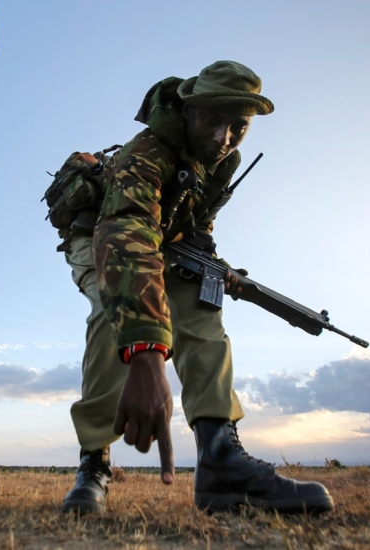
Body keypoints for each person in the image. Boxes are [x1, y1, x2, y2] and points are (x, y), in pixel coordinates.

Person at [58, 61, 334, 515]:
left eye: (238, 127)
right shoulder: (146, 153)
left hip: (164, 241)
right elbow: (127, 234)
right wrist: (148, 353)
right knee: (116, 316)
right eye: (211, 120)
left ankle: (220, 459)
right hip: (101, 235)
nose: (222, 137)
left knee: (203, 311)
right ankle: (94, 462)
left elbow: (195, 223)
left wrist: (214, 263)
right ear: (188, 111)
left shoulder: (223, 160)